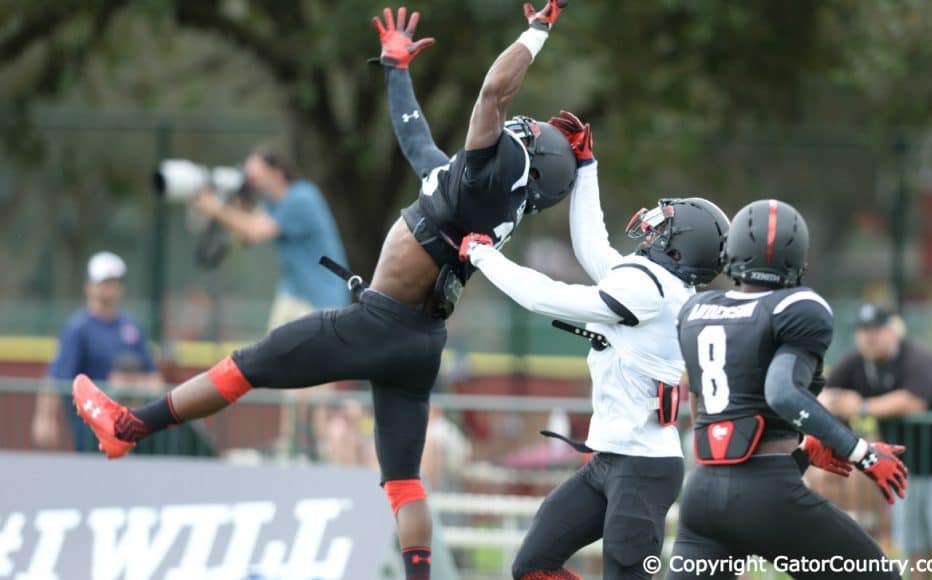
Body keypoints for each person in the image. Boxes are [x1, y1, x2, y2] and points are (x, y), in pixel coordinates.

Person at [70, 4, 574, 580]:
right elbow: (415, 141)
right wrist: (396, 70)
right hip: (421, 341)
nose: (516, 130)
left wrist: (536, 30)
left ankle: (128, 427)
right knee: (404, 479)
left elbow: (492, 94)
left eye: (526, 137)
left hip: (381, 324)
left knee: (247, 365)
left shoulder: (485, 181)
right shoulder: (481, 192)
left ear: (529, 167)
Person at [460, 111, 731, 579]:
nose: (651, 230)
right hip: (610, 460)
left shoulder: (652, 290)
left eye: (664, 229)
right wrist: (586, 167)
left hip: (643, 468)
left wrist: (484, 254)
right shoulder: (654, 283)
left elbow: (545, 297)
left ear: (680, 248)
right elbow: (591, 246)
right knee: (533, 566)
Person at [668, 199, 909, 580]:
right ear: (797, 257)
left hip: (703, 492)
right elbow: (781, 393)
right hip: (766, 494)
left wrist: (800, 453)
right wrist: (862, 453)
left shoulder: (697, 309)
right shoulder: (797, 307)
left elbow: (707, 412)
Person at [824, 303, 932, 580]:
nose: (870, 337)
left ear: (892, 332)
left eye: (877, 330)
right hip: (906, 471)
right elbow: (824, 395)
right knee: (914, 546)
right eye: (864, 331)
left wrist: (860, 407)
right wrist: (837, 403)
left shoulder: (916, 356)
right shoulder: (856, 362)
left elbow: (913, 402)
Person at [192, 145, 350, 327]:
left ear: (277, 172)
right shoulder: (271, 203)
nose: (251, 180)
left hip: (320, 297)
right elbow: (246, 237)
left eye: (256, 174)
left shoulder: (302, 197)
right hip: (293, 293)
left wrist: (216, 207)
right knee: (274, 352)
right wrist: (236, 204)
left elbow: (255, 231)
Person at [31, 252, 162, 452]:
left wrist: (128, 385)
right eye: (104, 282)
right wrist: (45, 418)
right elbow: (56, 377)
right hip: (92, 430)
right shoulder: (77, 329)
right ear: (89, 286)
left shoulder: (132, 327)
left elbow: (155, 380)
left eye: (115, 282)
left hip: (132, 429)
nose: (110, 287)